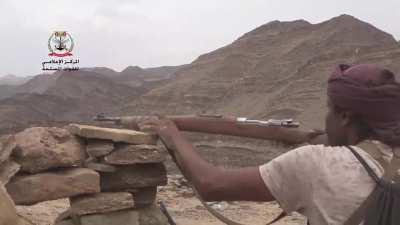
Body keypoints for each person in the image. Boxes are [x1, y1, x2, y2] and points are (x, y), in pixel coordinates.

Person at [139, 64, 400, 225]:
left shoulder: (317, 163)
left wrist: (170, 133)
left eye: (330, 109)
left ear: (345, 117)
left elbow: (210, 185)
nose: (326, 117)